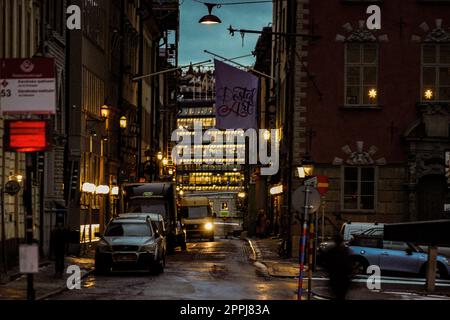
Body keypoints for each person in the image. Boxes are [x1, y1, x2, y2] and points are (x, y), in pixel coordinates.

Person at [323, 234, 353, 300]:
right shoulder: (346, 251)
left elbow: (327, 264)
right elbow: (349, 265)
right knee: (341, 296)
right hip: (343, 278)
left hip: (335, 277)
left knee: (337, 295)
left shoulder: (331, 251)